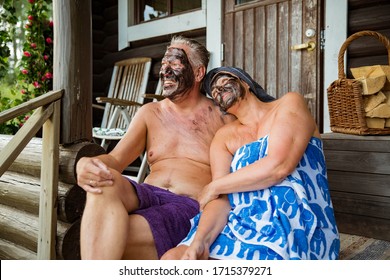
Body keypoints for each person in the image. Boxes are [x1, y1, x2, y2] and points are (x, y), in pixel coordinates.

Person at [75, 36, 235, 260]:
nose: (165, 71)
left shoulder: (222, 117)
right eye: (164, 64)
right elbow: (116, 159)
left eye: (175, 62)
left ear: (199, 73)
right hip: (147, 193)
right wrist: (87, 165)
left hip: (186, 205)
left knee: (112, 234)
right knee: (105, 181)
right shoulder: (150, 113)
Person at [161, 66, 340, 260]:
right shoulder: (224, 137)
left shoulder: (288, 104)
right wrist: (200, 242)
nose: (217, 88)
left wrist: (214, 186)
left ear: (245, 82)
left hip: (293, 223)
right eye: (213, 90)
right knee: (172, 259)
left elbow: (279, 166)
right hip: (239, 220)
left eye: (224, 80)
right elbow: (221, 199)